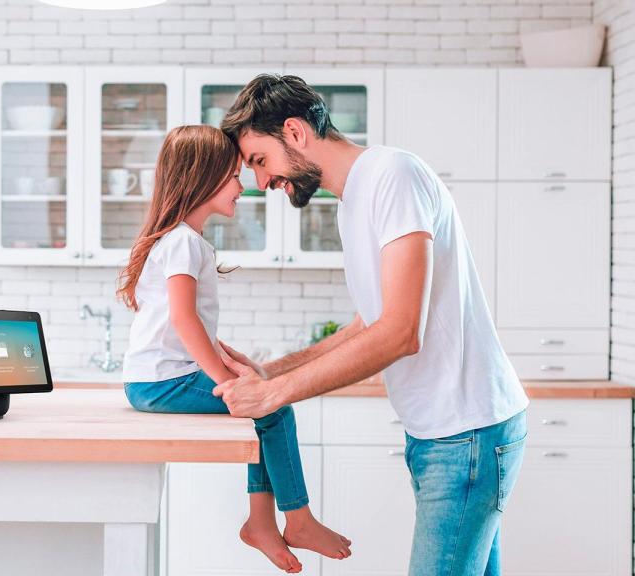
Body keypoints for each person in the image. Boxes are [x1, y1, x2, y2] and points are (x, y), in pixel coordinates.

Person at [213, 74, 529, 576]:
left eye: (259, 160)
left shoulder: (393, 175)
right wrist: (269, 373)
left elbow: (402, 331)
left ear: (294, 132)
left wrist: (277, 395)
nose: (261, 182)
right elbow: (368, 324)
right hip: (442, 433)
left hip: (467, 433)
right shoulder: (354, 200)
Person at [117, 124, 351, 574]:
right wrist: (229, 382)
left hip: (154, 380)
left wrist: (232, 364)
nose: (242, 186)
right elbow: (185, 322)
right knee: (274, 409)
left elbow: (185, 323)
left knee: (264, 404)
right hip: (163, 382)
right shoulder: (184, 241)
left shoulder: (182, 240)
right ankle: (295, 520)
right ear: (201, 179)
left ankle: (261, 523)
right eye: (232, 176)